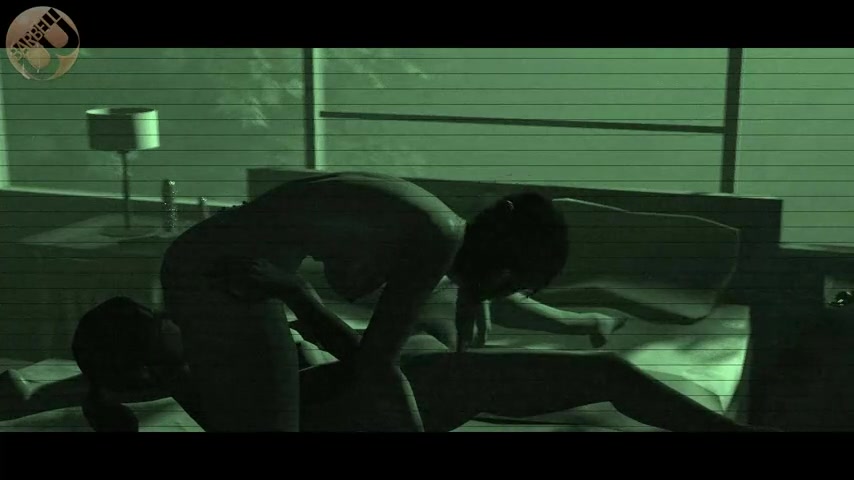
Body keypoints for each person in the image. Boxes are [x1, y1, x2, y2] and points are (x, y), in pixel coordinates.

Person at [158, 171, 613, 432]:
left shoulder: (436, 225)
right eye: (508, 284)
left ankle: (161, 356)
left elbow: (346, 277)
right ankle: (157, 356)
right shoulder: (439, 238)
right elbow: (376, 363)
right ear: (502, 270)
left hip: (228, 263)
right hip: (228, 274)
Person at [0, 292, 773, 433]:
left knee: (440, 306)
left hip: (402, 370)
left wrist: (33, 387)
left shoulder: (193, 373)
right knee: (606, 377)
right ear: (146, 367)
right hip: (407, 388)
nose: (174, 320)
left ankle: (571, 314)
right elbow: (354, 368)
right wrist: (300, 303)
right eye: (160, 325)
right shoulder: (213, 386)